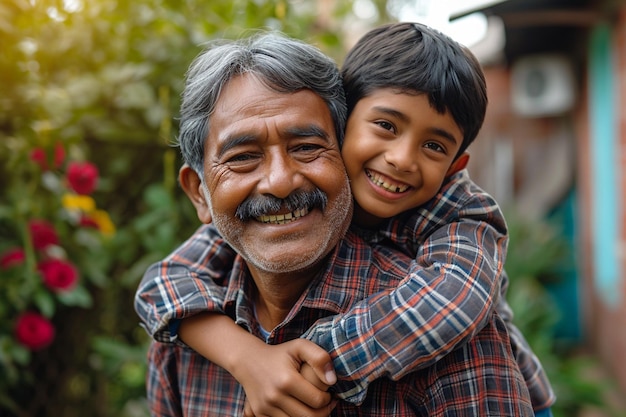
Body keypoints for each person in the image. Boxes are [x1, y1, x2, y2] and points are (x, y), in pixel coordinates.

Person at [137, 29, 535, 416]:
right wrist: (247, 358)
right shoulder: (182, 338)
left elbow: (455, 298)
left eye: (307, 147)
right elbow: (163, 283)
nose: (279, 182)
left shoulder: (456, 326)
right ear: (199, 193)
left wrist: (312, 365)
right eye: (243, 156)